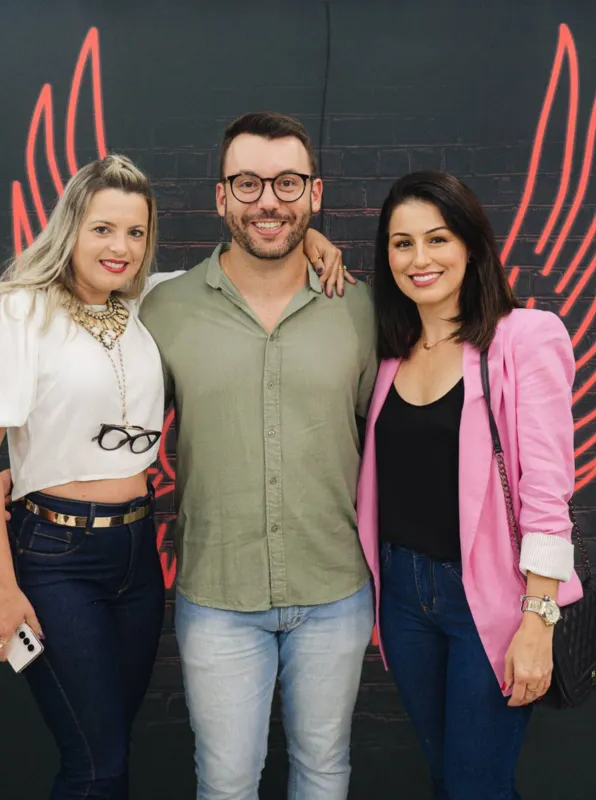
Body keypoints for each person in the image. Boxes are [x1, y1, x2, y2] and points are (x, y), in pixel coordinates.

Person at [0, 152, 347, 799]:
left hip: (135, 556)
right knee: (93, 761)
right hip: (54, 557)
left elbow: (248, 259)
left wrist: (310, 237)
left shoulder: (148, 300)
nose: (121, 247)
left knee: (109, 742)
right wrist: (0, 587)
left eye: (135, 233)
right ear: (70, 228)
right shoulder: (15, 313)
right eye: (103, 228)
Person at [138, 112, 378, 800]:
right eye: (246, 183)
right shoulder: (166, 309)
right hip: (216, 595)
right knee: (225, 783)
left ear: (315, 193)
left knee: (324, 771)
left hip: (335, 591)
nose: (267, 201)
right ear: (219, 197)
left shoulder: (360, 311)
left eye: (286, 183)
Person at [354, 170, 584, 799]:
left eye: (438, 239)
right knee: (446, 776)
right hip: (402, 597)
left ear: (472, 246)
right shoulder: (389, 350)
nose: (419, 259)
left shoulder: (525, 338)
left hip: (493, 601)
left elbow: (546, 495)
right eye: (402, 244)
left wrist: (538, 622)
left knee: (474, 787)